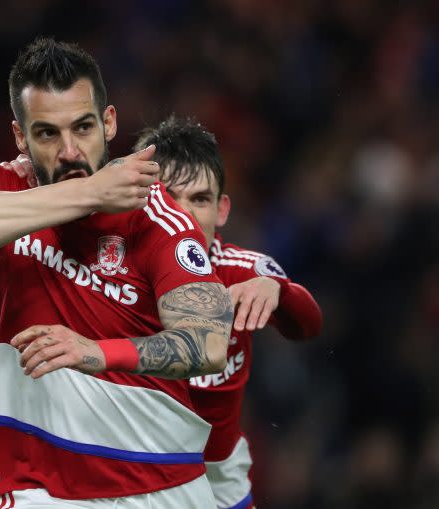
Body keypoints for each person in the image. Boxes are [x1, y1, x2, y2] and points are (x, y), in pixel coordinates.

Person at [0, 38, 234, 508]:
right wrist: (90, 194)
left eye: (83, 128)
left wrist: (98, 352)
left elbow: (208, 343)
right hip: (37, 491)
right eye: (47, 134)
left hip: (164, 486)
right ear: (20, 137)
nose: (69, 151)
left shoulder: (157, 216)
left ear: (109, 123)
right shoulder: (1, 189)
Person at [134, 116, 323, 509]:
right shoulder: (111, 270)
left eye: (199, 199)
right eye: (168, 197)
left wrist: (278, 289)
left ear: (222, 209)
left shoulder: (241, 269)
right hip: (133, 470)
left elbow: (309, 325)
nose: (183, 215)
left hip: (218, 479)